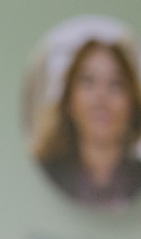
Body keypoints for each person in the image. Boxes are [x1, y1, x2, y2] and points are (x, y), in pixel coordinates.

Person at [32, 38, 141, 208]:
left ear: (132, 105)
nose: (102, 96)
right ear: (69, 102)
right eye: (89, 81)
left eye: (116, 83)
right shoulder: (41, 176)